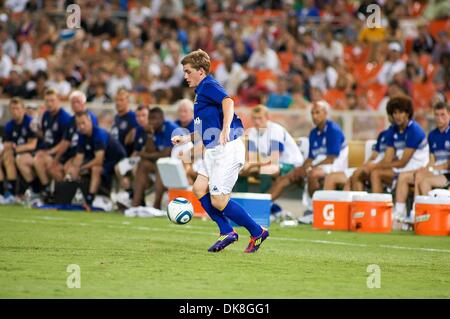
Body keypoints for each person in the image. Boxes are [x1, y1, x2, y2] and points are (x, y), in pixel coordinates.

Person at [172, 49, 269, 253]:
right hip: (213, 150)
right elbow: (205, 128)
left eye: (188, 71)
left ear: (200, 71)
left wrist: (226, 128)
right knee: (199, 188)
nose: (185, 76)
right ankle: (226, 231)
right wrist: (186, 138)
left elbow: (229, 101)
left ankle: (256, 232)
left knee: (218, 200)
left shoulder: (208, 85)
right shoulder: (201, 92)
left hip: (228, 148)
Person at [268, 100, 348, 216]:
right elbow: (310, 157)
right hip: (318, 165)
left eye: (317, 112)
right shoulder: (313, 133)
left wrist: (309, 168)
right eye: (312, 113)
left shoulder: (333, 130)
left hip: (335, 166)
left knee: (312, 174)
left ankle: (314, 211)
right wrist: (302, 168)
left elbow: (331, 158)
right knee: (287, 177)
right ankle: (263, 205)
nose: (314, 116)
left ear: (325, 113)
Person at [370, 96, 429, 225]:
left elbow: (403, 162)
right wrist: (377, 166)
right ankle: (379, 213)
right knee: (375, 173)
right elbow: (389, 157)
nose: (397, 116)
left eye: (401, 112)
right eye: (395, 113)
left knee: (378, 172)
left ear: (407, 113)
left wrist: (379, 166)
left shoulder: (414, 130)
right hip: (403, 168)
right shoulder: (393, 130)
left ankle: (399, 214)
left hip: (417, 168)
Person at [16, 88, 71, 201]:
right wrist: (36, 130)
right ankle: (36, 190)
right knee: (21, 160)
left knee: (39, 159)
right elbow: (45, 135)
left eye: (52, 100)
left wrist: (50, 152)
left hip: (60, 155)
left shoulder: (65, 118)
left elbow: (65, 142)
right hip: (45, 151)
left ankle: (47, 192)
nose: (49, 104)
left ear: (58, 100)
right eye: (47, 101)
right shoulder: (46, 115)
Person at [66, 111, 126, 210]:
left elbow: (99, 160)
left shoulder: (98, 134)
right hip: (105, 161)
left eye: (83, 123)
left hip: (116, 161)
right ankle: (68, 196)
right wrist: (73, 169)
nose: (81, 126)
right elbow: (78, 157)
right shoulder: (81, 135)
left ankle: (90, 199)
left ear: (90, 122)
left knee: (95, 169)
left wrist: (81, 168)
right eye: (78, 124)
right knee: (70, 167)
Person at [238, 105, 304, 193]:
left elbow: (274, 158)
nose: (257, 121)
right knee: (241, 171)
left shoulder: (275, 130)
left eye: (260, 118)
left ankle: (265, 202)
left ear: (267, 117)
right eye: (254, 118)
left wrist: (251, 165)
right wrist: (247, 165)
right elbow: (252, 158)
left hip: (290, 163)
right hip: (271, 163)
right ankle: (241, 201)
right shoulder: (253, 132)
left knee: (265, 170)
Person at [323, 114, 394, 191]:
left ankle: (363, 202)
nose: (396, 116)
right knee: (331, 177)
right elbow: (373, 157)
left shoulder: (399, 135)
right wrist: (365, 166)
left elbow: (389, 159)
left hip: (384, 168)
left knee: (356, 176)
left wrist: (371, 166)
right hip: (370, 166)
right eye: (392, 113)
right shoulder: (383, 135)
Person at [131, 107, 178, 210]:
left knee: (161, 165)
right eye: (150, 119)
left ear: (162, 118)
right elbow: (150, 151)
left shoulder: (170, 128)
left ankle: (156, 206)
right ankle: (135, 205)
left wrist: (144, 155)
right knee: (143, 164)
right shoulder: (153, 130)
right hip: (163, 163)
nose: (152, 122)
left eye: (155, 119)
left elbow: (165, 154)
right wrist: (149, 135)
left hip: (181, 164)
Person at [49, 90, 98, 182]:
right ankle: (62, 192)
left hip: (86, 154)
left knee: (70, 169)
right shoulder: (71, 120)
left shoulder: (90, 117)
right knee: (54, 168)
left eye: (78, 102)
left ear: (84, 103)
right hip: (72, 154)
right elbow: (65, 142)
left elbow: (92, 139)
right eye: (73, 102)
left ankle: (78, 192)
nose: (75, 105)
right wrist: (55, 160)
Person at [0, 97, 37, 203]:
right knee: (6, 155)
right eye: (13, 109)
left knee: (10, 156)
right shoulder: (9, 125)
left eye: (18, 108)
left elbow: (32, 145)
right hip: (13, 152)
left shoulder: (30, 122)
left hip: (30, 153)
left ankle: (12, 192)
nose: (15, 111)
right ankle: (3, 193)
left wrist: (16, 148)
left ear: (23, 109)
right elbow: (6, 144)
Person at [412, 102, 450, 201]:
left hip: (447, 173)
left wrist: (432, 168)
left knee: (425, 182)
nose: (439, 118)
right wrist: (427, 168)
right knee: (419, 174)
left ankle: (430, 211)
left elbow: (448, 164)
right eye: (436, 115)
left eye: (443, 115)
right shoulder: (432, 135)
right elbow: (432, 158)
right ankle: (416, 209)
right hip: (438, 170)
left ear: (449, 115)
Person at [110, 88, 138, 157]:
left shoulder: (133, 117)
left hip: (126, 156)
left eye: (121, 100)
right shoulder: (116, 117)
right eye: (116, 100)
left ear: (128, 101)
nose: (118, 103)